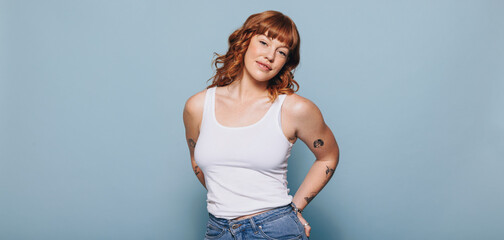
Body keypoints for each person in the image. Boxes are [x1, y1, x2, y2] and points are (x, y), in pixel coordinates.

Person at [183, 10, 339, 240]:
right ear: (245, 42)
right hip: (217, 231)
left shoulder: (294, 109)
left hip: (274, 230)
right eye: (264, 42)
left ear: (286, 61)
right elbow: (197, 160)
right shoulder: (197, 106)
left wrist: (294, 209)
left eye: (282, 52)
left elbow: (328, 156)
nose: (270, 56)